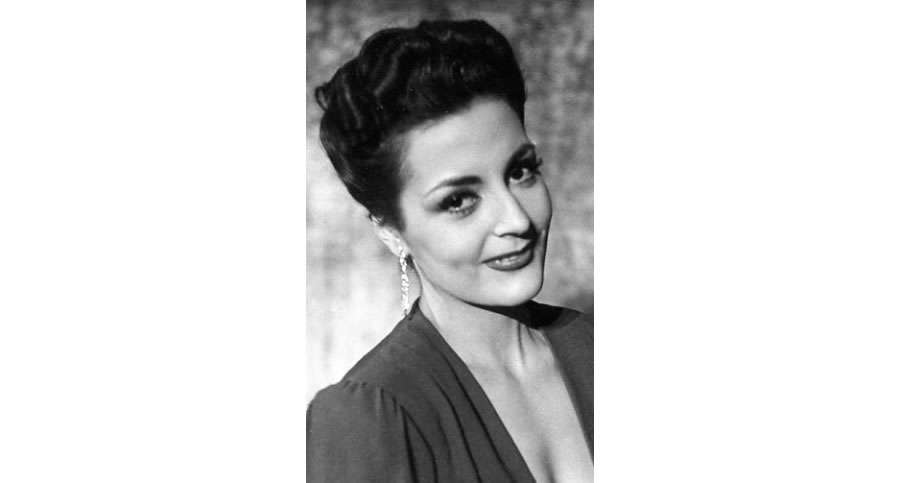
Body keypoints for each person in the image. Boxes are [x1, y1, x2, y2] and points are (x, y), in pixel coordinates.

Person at [307, 19, 593, 483]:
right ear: (391, 231)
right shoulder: (371, 418)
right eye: (459, 200)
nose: (516, 220)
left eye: (521, 171)